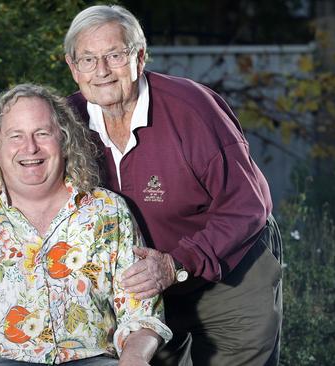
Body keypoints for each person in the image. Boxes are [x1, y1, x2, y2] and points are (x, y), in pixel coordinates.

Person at [64, 5, 283, 366]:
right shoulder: (67, 121)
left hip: (228, 275)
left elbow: (248, 206)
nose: (101, 71)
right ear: (72, 67)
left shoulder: (192, 110)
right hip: (142, 296)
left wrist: (176, 263)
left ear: (140, 56)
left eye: (114, 55)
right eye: (87, 59)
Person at [0, 83, 172, 366]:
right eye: (15, 136)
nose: (30, 148)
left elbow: (142, 314)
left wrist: (134, 357)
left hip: (92, 360)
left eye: (42, 133)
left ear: (64, 139)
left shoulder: (108, 211)